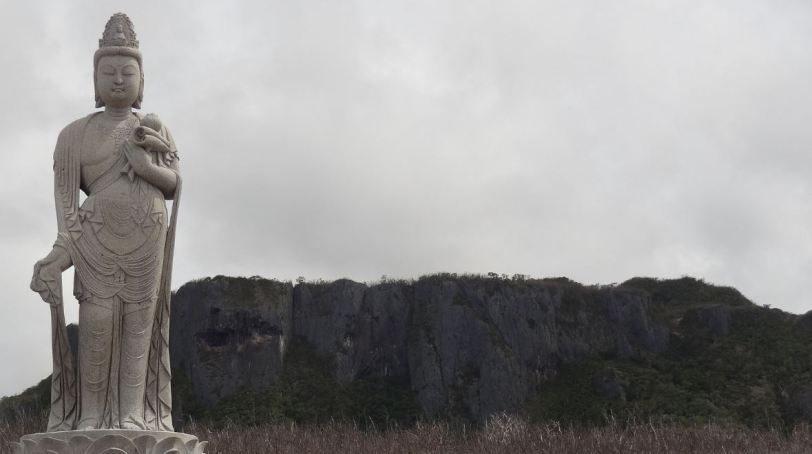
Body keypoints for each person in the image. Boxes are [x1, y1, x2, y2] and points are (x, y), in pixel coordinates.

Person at [30, 13, 180, 432]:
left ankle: (133, 414)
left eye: (127, 73)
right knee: (96, 329)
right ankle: (91, 415)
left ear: (141, 81)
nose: (117, 80)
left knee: (138, 330)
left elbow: (174, 183)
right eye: (108, 72)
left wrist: (145, 167)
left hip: (147, 238)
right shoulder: (73, 136)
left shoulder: (153, 128)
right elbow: (66, 209)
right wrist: (57, 259)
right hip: (94, 240)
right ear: (94, 80)